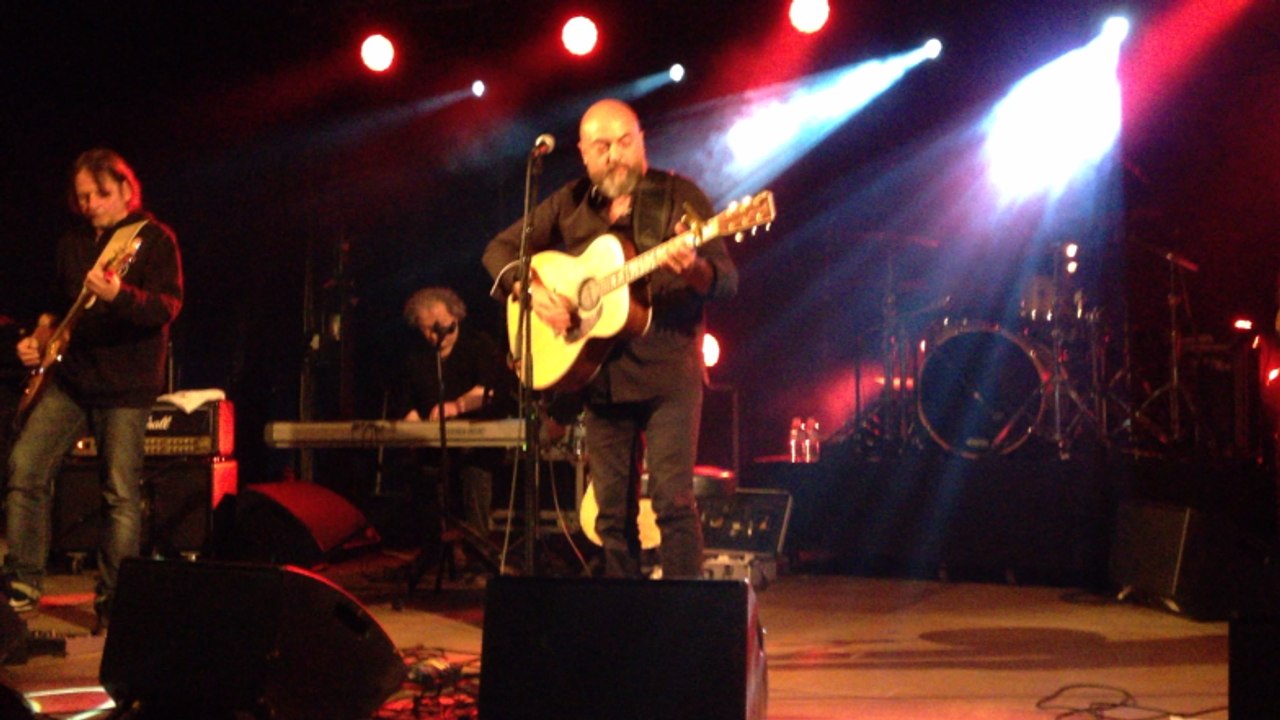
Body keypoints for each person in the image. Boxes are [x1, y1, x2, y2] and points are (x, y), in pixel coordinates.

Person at [482, 98, 739, 578]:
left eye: (625, 142)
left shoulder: (678, 195)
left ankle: (686, 621)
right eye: (603, 146)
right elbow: (498, 251)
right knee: (611, 517)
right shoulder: (571, 201)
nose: (615, 155)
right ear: (583, 152)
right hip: (598, 375)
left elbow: (725, 280)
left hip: (668, 371)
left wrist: (696, 269)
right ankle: (625, 619)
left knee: (673, 503)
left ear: (641, 141)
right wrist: (532, 292)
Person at [3, 149, 183, 629]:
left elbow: (166, 307)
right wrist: (35, 342)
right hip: (73, 378)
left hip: (126, 385)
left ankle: (115, 599)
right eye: (82, 196)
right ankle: (21, 585)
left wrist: (118, 295)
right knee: (25, 469)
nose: (90, 204)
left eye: (100, 194)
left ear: (126, 190)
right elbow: (53, 311)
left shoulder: (153, 240)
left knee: (118, 493)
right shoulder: (72, 243)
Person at [394, 287, 514, 553]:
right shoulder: (417, 355)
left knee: (474, 473)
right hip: (433, 447)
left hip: (477, 445)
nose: (433, 336)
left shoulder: (478, 344)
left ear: (455, 320)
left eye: (439, 328)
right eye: (426, 329)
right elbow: (406, 397)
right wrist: (411, 418)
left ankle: (478, 552)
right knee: (424, 476)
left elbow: (490, 389)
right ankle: (437, 551)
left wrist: (457, 406)